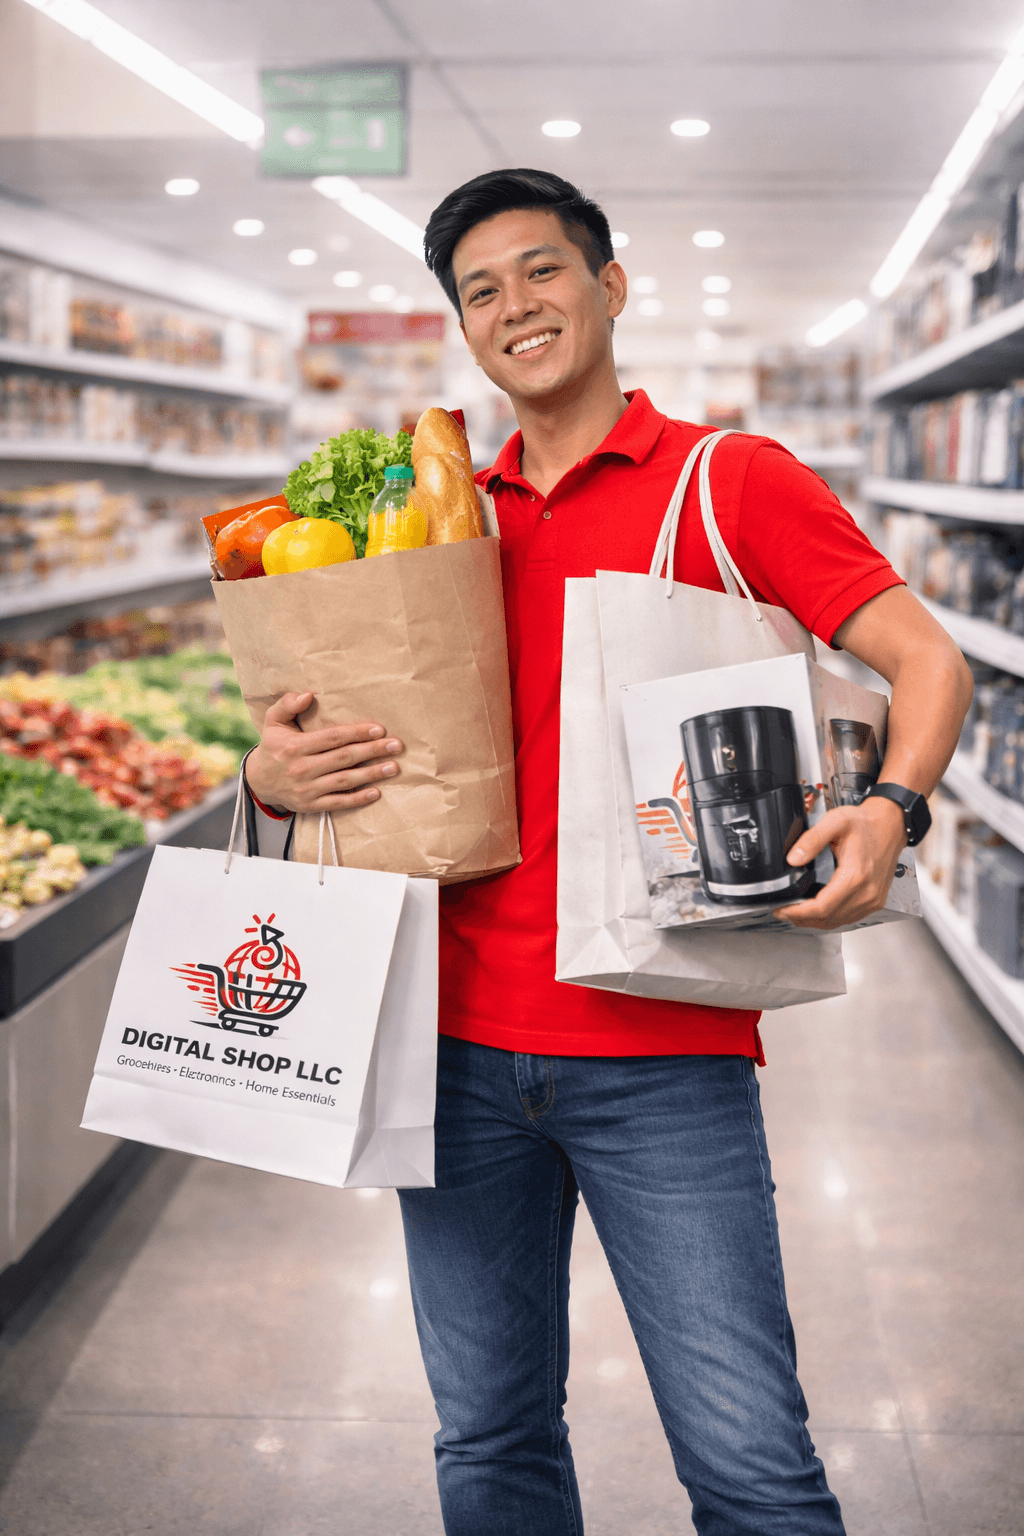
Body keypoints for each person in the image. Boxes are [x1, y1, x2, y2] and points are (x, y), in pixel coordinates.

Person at [244, 169, 973, 1536]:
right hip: (448, 1049)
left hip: (665, 1053)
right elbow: (322, 744)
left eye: (542, 271)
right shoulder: (428, 515)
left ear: (609, 285)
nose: (513, 306)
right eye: (479, 291)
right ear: (461, 329)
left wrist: (896, 807)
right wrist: (270, 774)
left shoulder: (728, 481)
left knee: (751, 1463)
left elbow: (925, 657)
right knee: (491, 1438)